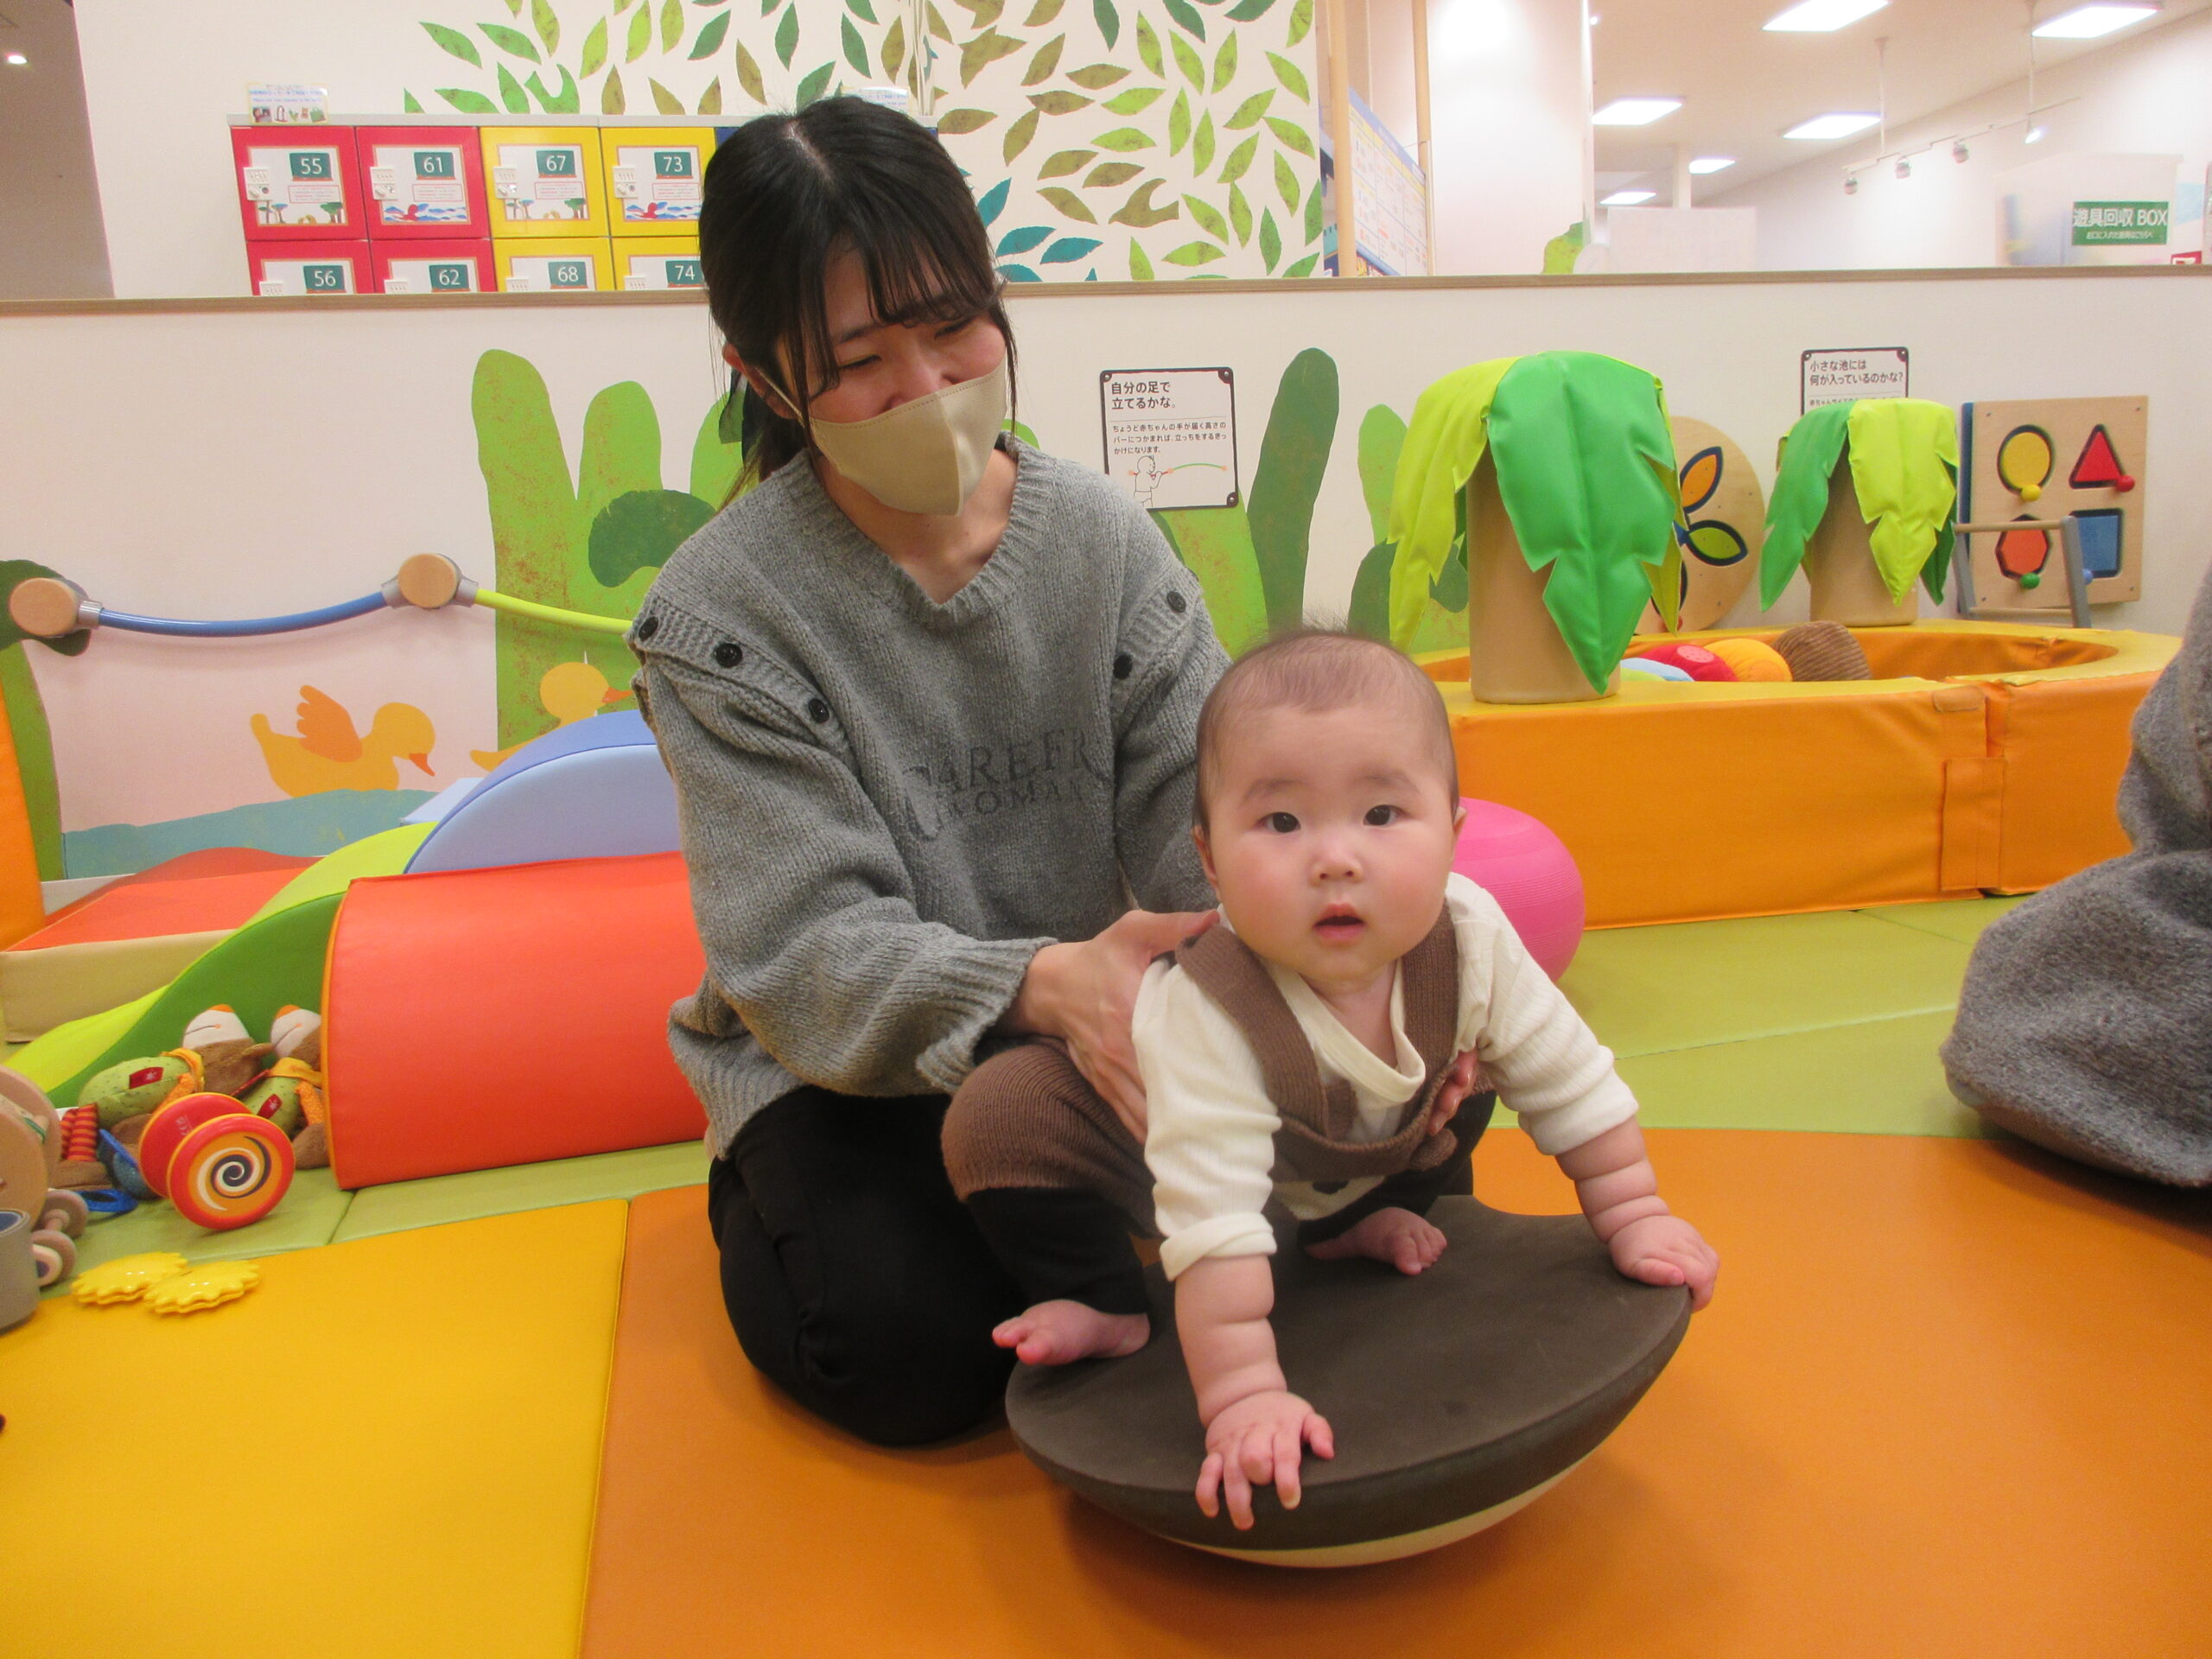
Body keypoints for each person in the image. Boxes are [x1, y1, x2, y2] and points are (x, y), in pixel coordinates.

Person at [626, 95, 1294, 1449]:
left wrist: (1301, 976)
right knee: (904, 1346)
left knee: (1401, 1102)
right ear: (764, 377)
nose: (928, 388)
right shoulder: (720, 617)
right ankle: (771, 1196)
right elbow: (801, 952)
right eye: (861, 361)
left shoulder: (1104, 542)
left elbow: (1211, 821)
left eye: (954, 327)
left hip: (1101, 1027)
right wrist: (1045, 987)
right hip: (852, 1071)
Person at [943, 631, 1719, 1528]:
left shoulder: (1470, 937)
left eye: (1381, 814)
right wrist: (1242, 1395)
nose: (1336, 859)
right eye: (1282, 823)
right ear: (1208, 858)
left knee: (1474, 1069)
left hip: (1347, 1153)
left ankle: (1351, 1221)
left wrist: (1634, 1212)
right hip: (1159, 1165)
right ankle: (1098, 1294)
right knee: (998, 1117)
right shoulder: (1211, 1007)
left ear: (1454, 833)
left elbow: (1572, 1081)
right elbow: (1214, 1218)